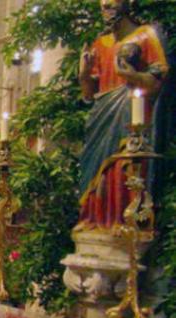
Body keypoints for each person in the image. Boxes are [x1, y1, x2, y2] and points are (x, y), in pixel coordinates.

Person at [76, 0, 170, 232]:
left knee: (124, 165)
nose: (105, 4)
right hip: (102, 114)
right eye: (103, 3)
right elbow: (88, 95)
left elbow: (159, 81)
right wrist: (84, 75)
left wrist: (132, 76)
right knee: (96, 167)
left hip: (132, 113)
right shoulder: (100, 43)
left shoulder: (146, 36)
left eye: (112, 1)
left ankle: (124, 221)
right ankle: (95, 221)